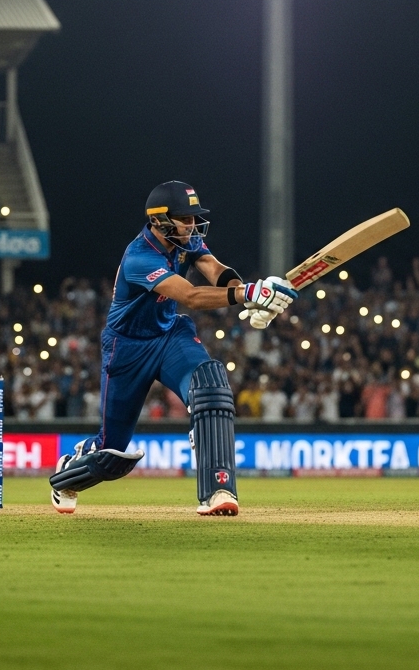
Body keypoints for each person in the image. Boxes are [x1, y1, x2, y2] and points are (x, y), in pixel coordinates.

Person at [48, 181, 296, 516]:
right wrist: (247, 294)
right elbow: (191, 296)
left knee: (210, 383)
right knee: (111, 450)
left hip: (169, 335)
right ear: (160, 220)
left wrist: (248, 295)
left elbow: (214, 270)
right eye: (185, 218)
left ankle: (218, 489)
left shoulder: (187, 239)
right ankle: (68, 473)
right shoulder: (139, 256)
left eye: (194, 218)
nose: (192, 225)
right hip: (127, 348)